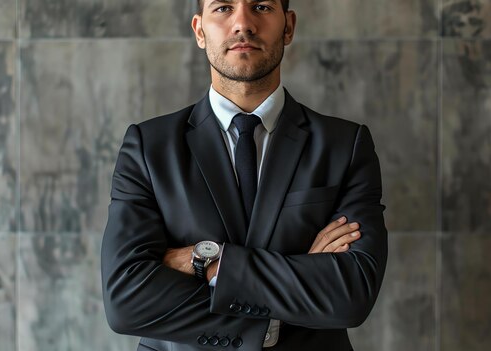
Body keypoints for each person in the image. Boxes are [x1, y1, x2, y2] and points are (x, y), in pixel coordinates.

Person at [101, 0, 388, 350]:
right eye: (223, 7)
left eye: (262, 7)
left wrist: (207, 260)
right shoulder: (148, 147)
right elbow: (126, 302)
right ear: (199, 30)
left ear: (288, 26)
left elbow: (350, 294)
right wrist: (299, 277)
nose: (243, 23)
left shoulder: (346, 145)